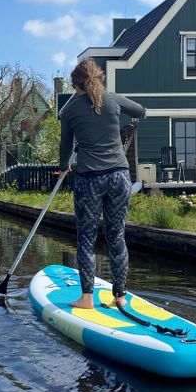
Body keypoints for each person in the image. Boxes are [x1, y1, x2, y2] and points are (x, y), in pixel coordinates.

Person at [59, 59, 146, 309]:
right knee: (116, 235)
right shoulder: (113, 99)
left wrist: (64, 165)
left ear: (75, 85)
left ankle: (87, 298)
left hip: (90, 178)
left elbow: (65, 146)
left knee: (86, 237)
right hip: (119, 176)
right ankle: (120, 295)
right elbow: (141, 111)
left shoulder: (69, 110)